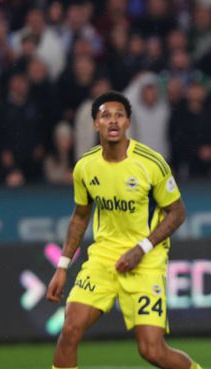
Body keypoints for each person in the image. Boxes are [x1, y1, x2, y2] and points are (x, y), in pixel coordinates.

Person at [46, 91, 202, 369]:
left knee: (152, 351)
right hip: (103, 259)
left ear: (128, 122)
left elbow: (177, 213)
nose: (113, 121)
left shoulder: (150, 163)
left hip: (145, 261)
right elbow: (80, 216)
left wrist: (140, 249)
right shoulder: (85, 166)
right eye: (105, 115)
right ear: (95, 124)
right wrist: (62, 266)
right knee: (69, 332)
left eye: (119, 115)